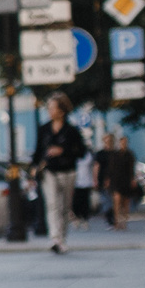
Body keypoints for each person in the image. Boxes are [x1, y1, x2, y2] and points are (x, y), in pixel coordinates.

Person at [35, 94, 86, 255]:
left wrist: (63, 151)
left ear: (61, 111)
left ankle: (62, 239)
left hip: (68, 172)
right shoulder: (44, 129)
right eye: (48, 107)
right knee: (52, 204)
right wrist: (34, 166)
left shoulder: (72, 131)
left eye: (52, 107)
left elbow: (82, 152)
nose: (49, 111)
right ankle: (55, 238)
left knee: (64, 207)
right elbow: (37, 152)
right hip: (49, 171)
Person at [96, 129, 135, 231]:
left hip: (126, 180)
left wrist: (132, 179)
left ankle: (124, 219)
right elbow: (110, 168)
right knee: (116, 200)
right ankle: (116, 221)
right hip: (116, 180)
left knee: (125, 202)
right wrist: (106, 179)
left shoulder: (130, 154)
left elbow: (131, 168)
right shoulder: (114, 154)